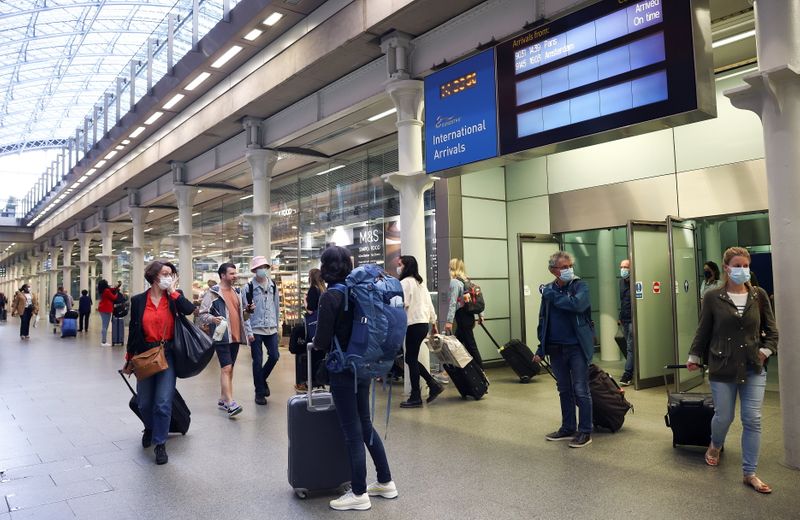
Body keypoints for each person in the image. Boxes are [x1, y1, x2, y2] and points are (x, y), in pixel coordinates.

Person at [686, 246, 778, 494]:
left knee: (753, 419)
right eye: (737, 266)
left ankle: (750, 472)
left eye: (745, 266)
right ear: (726, 268)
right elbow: (703, 330)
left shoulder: (758, 295)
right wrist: (695, 355)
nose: (742, 270)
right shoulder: (713, 297)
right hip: (722, 365)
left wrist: (766, 351)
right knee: (724, 417)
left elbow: (772, 330)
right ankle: (715, 443)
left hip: (753, 366)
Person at [313, 246, 397, 511]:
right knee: (365, 425)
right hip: (364, 365)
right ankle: (385, 481)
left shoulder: (330, 297)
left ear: (326, 267)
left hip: (342, 369)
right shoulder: (358, 291)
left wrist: (315, 341)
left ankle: (359, 492)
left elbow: (322, 341)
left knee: (352, 432)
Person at [122, 260, 195, 465]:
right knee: (144, 403)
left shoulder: (173, 298)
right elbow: (134, 332)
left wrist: (173, 291)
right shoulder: (138, 301)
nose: (169, 277)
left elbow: (189, 309)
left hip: (168, 353)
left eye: (171, 274)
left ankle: (160, 443)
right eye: (165, 273)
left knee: (163, 402)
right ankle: (150, 427)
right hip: (145, 355)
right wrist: (129, 359)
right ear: (154, 276)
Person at [533, 251, 594, 449]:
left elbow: (577, 305)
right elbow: (544, 320)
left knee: (580, 390)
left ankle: (585, 430)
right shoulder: (550, 289)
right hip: (556, 348)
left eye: (569, 266)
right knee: (564, 389)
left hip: (576, 347)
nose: (568, 270)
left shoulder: (580, 286)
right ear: (553, 270)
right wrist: (541, 348)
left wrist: (549, 293)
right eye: (563, 267)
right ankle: (568, 427)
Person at [199, 262, 252, 418]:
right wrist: (213, 319)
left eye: (235, 273)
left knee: (230, 369)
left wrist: (248, 311)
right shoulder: (213, 294)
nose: (235, 276)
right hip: (221, 336)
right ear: (222, 275)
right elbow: (202, 314)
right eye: (232, 274)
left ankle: (223, 399)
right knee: (226, 368)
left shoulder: (237, 292)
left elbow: (242, 315)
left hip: (235, 336)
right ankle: (230, 403)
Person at [397, 255, 443, 408]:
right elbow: (429, 305)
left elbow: (402, 304)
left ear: (406, 266)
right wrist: (434, 323)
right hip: (422, 325)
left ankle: (416, 395)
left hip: (413, 324)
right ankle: (432, 385)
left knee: (410, 359)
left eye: (400, 264)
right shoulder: (420, 283)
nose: (398, 267)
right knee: (411, 358)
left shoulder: (404, 283)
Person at [244, 256, 280, 406]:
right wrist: (249, 332)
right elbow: (245, 312)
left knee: (274, 356)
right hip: (256, 328)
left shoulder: (273, 286)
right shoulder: (248, 288)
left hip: (271, 328)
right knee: (257, 361)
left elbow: (276, 307)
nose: (262, 270)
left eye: (265, 267)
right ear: (254, 270)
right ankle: (259, 392)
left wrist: (277, 327)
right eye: (259, 267)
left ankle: (261, 379)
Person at [445, 258, 484, 368]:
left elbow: (453, 303)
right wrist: (481, 315)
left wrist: (449, 321)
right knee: (456, 346)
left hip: (462, 318)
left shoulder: (455, 282)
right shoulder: (467, 281)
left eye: (449, 267)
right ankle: (448, 371)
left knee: (471, 346)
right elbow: (475, 299)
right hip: (469, 317)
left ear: (452, 269)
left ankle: (481, 371)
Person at [295, 268, 325, 392]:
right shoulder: (324, 289)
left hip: (313, 326)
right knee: (320, 355)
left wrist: (305, 302)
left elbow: (311, 310)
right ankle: (320, 380)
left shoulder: (313, 290)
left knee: (311, 354)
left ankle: (311, 382)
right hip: (322, 325)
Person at [618, 259, 634, 386]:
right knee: (630, 347)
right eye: (622, 267)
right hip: (625, 319)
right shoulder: (621, 282)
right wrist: (620, 317)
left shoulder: (636, 282)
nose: (623, 269)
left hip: (634, 320)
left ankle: (627, 374)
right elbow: (623, 301)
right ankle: (631, 371)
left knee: (630, 347)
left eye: (626, 267)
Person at [97, 279, 119, 346]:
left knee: (104, 325)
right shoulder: (106, 291)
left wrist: (116, 287)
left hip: (102, 308)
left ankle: (103, 341)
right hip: (106, 309)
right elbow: (114, 298)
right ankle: (103, 342)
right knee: (105, 326)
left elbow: (111, 289)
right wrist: (117, 293)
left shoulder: (103, 290)